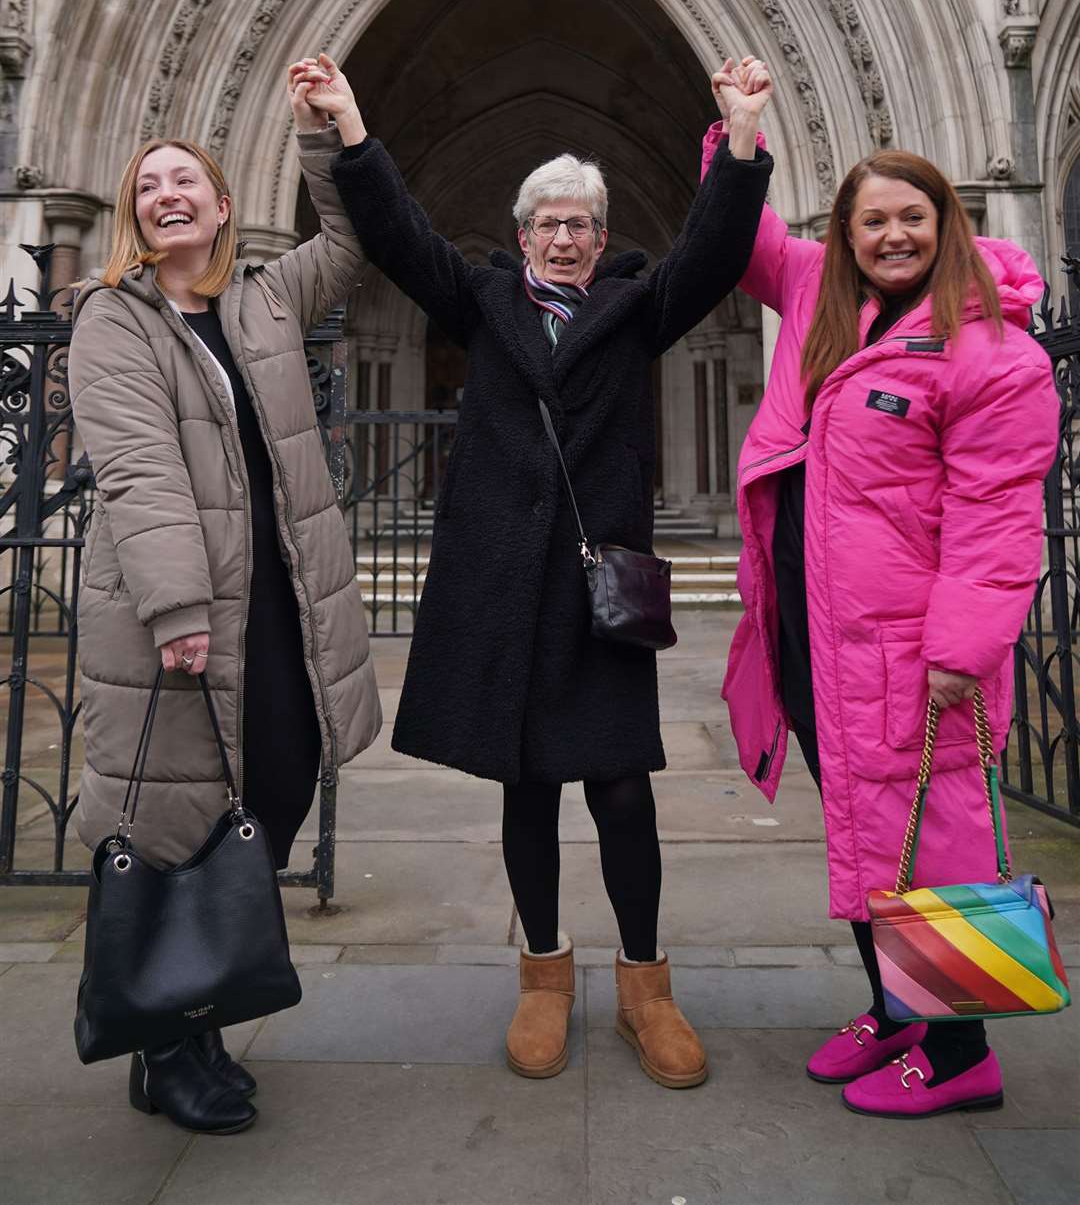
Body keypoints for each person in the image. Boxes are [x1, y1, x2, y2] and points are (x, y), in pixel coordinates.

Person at [321, 61, 772, 1089]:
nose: (565, 236)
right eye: (548, 223)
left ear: (600, 239)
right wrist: (352, 125)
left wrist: (740, 141)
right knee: (527, 789)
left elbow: (710, 256)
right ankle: (543, 979)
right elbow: (401, 239)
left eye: (581, 223)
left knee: (621, 788)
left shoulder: (634, 306)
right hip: (502, 584)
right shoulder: (482, 302)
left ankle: (648, 989)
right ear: (522, 234)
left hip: (598, 591)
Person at [707, 57, 1059, 1118]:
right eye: (871, 222)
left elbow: (1000, 520)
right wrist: (740, 134)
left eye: (911, 216)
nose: (892, 235)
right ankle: (900, 1006)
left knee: (937, 840)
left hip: (919, 647)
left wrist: (963, 649)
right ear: (846, 235)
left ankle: (961, 1058)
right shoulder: (825, 297)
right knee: (870, 833)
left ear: (945, 222)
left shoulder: (991, 349)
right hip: (821, 633)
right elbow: (749, 243)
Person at [69, 56, 382, 1135]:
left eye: (183, 179)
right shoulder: (112, 318)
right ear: (134, 213)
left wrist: (326, 133)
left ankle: (199, 1005)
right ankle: (170, 1040)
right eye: (147, 183)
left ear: (221, 203)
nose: (166, 193)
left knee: (274, 796)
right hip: (183, 615)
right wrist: (176, 606)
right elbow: (138, 469)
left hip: (280, 607)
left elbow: (351, 245)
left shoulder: (262, 300)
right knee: (172, 822)